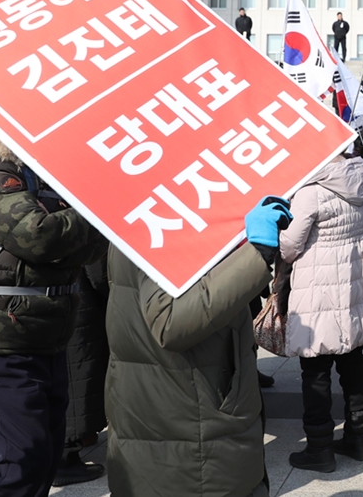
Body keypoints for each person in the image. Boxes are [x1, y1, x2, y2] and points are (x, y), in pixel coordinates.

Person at [0, 122, 108, 497]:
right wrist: (97, 212)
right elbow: (39, 236)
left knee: (46, 455)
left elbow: (87, 252)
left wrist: (79, 226)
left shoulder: (38, 177)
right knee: (21, 458)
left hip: (45, 333)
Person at [106, 196, 287, 497]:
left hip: (189, 407)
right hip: (190, 416)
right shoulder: (163, 214)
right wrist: (256, 253)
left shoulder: (152, 208)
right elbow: (171, 323)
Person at [279, 154, 363, 472]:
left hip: (319, 289)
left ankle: (319, 447)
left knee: (316, 370)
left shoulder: (310, 190)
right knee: (353, 362)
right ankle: (357, 437)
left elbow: (289, 248)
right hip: (354, 285)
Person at [56, 256, 110, 486]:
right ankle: (64, 459)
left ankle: (79, 438)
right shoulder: (81, 219)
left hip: (56, 300)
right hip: (79, 302)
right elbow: (101, 275)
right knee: (78, 377)